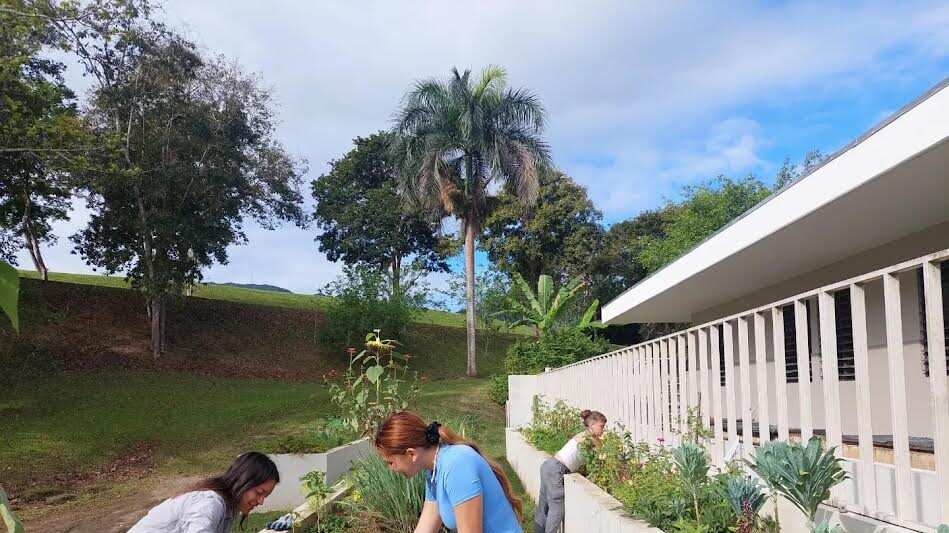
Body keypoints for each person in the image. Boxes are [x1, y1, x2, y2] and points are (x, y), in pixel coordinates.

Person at [375, 411, 523, 533]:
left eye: (391, 462)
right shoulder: (434, 472)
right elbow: (426, 527)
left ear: (411, 454)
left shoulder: (456, 465)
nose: (391, 469)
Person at [129, 452, 279, 533]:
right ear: (243, 480)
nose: (261, 501)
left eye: (265, 496)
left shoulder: (228, 509)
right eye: (259, 492)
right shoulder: (210, 503)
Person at [534, 409, 606, 533]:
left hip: (548, 466)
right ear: (592, 425)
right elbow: (603, 453)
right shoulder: (589, 438)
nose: (603, 430)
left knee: (543, 506)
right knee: (557, 508)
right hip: (556, 469)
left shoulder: (583, 435)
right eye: (601, 426)